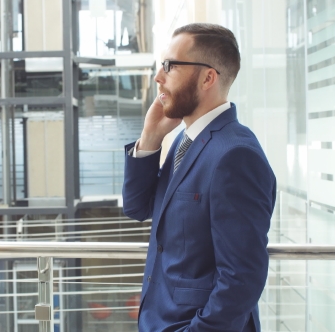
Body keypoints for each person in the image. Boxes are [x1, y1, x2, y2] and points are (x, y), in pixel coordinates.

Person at [122, 23, 276, 332]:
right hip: (160, 320)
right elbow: (137, 208)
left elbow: (242, 278)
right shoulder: (185, 140)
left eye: (170, 66)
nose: (158, 77)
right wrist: (151, 137)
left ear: (208, 77)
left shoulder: (235, 155)